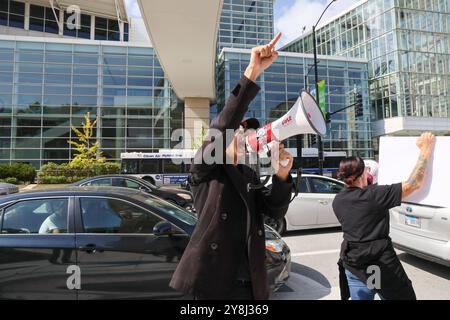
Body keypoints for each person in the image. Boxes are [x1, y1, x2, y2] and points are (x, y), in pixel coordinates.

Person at [169, 33, 294, 300]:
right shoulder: (207, 168)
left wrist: (282, 177)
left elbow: (273, 211)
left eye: (248, 130)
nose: (245, 132)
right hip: (213, 283)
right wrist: (252, 71)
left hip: (250, 283)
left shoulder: (248, 172)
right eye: (239, 129)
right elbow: (221, 125)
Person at [333, 132, 435, 300]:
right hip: (379, 265)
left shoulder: (338, 200)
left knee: (369, 291)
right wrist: (426, 149)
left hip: (355, 265)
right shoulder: (374, 195)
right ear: (362, 174)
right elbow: (414, 183)